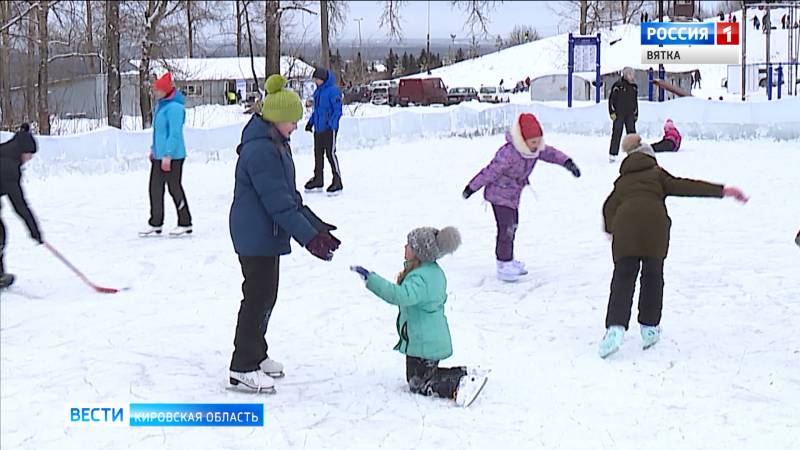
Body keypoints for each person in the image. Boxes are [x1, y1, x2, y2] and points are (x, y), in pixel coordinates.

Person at [228, 74, 341, 393]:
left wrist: (316, 226)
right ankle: (242, 366)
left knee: (266, 296)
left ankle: (257, 353)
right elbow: (278, 204)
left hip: (265, 233)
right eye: (291, 121)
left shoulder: (275, 143)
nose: (295, 126)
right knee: (257, 298)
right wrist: (308, 239)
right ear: (276, 119)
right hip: (255, 234)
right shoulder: (262, 151)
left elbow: (290, 196)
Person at [598, 134, 748, 358]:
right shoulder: (657, 175)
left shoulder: (622, 182)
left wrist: (611, 229)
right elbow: (686, 186)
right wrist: (722, 190)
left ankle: (615, 329)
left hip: (626, 231)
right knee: (652, 276)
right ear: (650, 157)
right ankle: (649, 328)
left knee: (623, 278)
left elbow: (608, 207)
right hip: (655, 230)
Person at [350, 226, 489, 408]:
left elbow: (399, 295)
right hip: (428, 338)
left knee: (419, 383)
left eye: (409, 245)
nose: (405, 247)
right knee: (420, 376)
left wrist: (371, 280)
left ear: (420, 252)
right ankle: (464, 373)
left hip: (424, 342)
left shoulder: (420, 278)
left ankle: (458, 383)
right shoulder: (432, 272)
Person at [462, 113, 581, 282]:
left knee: (513, 226)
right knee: (507, 228)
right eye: (533, 142)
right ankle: (503, 264)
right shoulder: (508, 154)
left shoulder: (535, 150)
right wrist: (471, 187)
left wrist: (568, 163)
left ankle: (508, 259)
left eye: (539, 141)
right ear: (522, 140)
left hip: (513, 195)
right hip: (498, 195)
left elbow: (552, 154)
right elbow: (490, 171)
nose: (536, 145)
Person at [139, 72, 193, 237]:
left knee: (174, 187)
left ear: (165, 90)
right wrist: (154, 150)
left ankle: (185, 222)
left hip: (173, 156)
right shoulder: (161, 106)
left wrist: (168, 155)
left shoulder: (175, 108)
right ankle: (156, 222)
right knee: (155, 188)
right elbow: (159, 132)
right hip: (159, 156)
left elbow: (174, 133)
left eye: (157, 90)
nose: (155, 93)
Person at [0, 123, 43, 289]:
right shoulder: (9, 166)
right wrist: (34, 229)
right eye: (29, 154)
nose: (30, 158)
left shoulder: (7, 152)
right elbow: (19, 204)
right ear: (22, 151)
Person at [304, 67, 344, 194]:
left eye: (317, 79)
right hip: (318, 128)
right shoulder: (318, 92)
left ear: (323, 79)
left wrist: (331, 125)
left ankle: (337, 179)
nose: (315, 81)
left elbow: (337, 110)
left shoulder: (333, 91)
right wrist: (311, 123)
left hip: (329, 129)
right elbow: (317, 111)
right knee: (318, 153)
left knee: (330, 153)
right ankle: (318, 178)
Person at [608, 67, 638, 162]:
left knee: (632, 134)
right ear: (625, 75)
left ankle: (634, 154)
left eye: (633, 74)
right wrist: (612, 112)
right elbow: (611, 100)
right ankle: (613, 154)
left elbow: (635, 102)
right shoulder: (617, 86)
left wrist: (636, 114)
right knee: (617, 132)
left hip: (630, 114)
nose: (632, 76)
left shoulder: (634, 87)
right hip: (619, 114)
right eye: (630, 74)